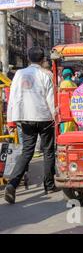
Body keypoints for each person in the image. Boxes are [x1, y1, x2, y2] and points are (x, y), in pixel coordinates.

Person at [5, 46, 58, 204]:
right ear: (43, 60)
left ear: (28, 58)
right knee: (48, 151)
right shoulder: (47, 74)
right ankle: (49, 185)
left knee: (27, 152)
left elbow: (13, 97)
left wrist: (11, 120)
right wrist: (56, 117)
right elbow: (51, 99)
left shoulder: (19, 74)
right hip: (44, 117)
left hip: (25, 117)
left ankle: (12, 184)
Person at [60, 68, 78, 134]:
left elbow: (62, 97)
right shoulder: (74, 84)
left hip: (65, 109)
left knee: (65, 129)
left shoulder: (63, 83)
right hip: (73, 109)